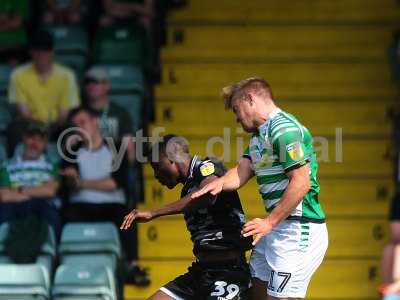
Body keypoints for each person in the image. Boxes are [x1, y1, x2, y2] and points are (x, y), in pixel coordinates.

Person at [192, 77, 328, 300]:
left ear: (250, 98)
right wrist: (218, 183)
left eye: (236, 109)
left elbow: (301, 182)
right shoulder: (258, 138)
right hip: (276, 230)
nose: (236, 118)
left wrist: (269, 222)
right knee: (254, 290)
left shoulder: (284, 130)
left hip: (298, 230)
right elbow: (241, 172)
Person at [120, 134, 253, 300]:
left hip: (229, 272)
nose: (155, 175)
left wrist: (153, 212)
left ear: (171, 158)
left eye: (156, 167)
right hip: (201, 272)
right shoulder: (186, 189)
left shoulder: (208, 166)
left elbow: (207, 194)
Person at [60, 106, 150, 286]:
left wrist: (82, 183)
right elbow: (70, 185)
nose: (79, 127)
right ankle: (65, 268)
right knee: (63, 215)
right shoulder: (71, 151)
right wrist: (73, 181)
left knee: (128, 217)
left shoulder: (116, 148)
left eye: (82, 122)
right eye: (75, 124)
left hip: (112, 205)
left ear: (95, 123)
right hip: (80, 206)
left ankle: (132, 266)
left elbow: (115, 183)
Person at [7, 29, 80, 154]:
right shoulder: (18, 74)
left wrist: (51, 127)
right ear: (31, 52)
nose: (41, 55)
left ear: (52, 52)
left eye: (45, 50)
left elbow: (64, 114)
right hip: (30, 124)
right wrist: (39, 130)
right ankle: (18, 167)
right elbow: (24, 112)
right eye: (37, 50)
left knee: (73, 130)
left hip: (57, 125)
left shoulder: (67, 75)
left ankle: (69, 169)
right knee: (15, 128)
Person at [0, 121, 61, 239]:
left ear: (45, 144)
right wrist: (37, 191)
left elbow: (49, 192)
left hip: (43, 206)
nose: (35, 143)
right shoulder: (6, 166)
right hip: (13, 206)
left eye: (40, 140)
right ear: (24, 139)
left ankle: (54, 254)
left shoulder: (53, 166)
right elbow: (4, 196)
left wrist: (18, 190)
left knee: (51, 214)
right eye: (31, 138)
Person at [83, 67, 136, 164]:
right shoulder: (79, 114)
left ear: (107, 85)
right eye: (87, 82)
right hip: (86, 166)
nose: (91, 85)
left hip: (115, 166)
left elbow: (129, 148)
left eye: (95, 81)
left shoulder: (120, 113)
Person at [0, 0, 29, 64]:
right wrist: (9, 18)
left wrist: (3, 20)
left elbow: (16, 23)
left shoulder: (21, 1)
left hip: (16, 48)